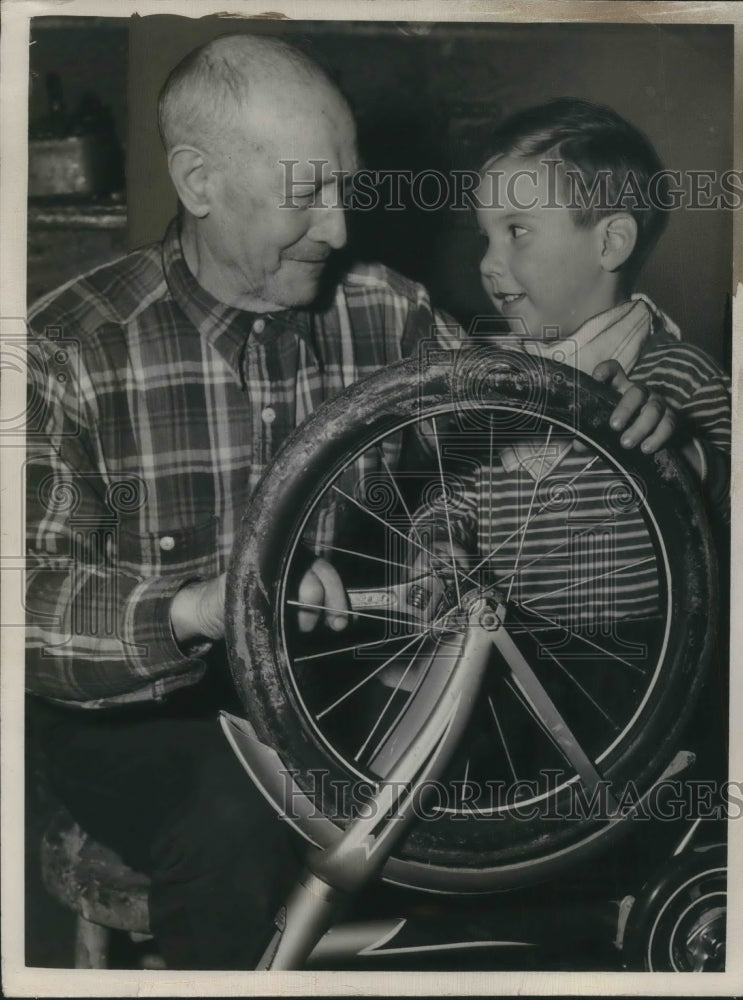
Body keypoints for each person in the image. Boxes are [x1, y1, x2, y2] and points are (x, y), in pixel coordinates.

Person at [25, 33, 460, 969]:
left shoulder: (392, 313)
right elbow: (23, 605)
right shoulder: (69, 348)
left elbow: (484, 461)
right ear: (198, 181)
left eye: (348, 189)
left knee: (498, 795)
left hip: (328, 691)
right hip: (138, 721)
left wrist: (622, 415)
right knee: (235, 811)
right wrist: (194, 609)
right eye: (307, 196)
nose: (340, 230)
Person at [408, 98, 730, 631]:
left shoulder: (685, 379)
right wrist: (439, 541)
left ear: (610, 242)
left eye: (517, 231)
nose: (488, 264)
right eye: (486, 237)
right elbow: (453, 495)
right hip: (510, 669)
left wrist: (685, 456)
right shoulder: (492, 387)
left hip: (644, 675)